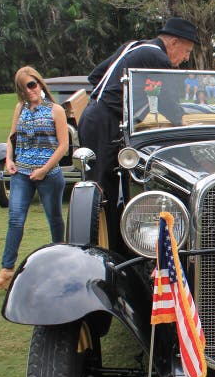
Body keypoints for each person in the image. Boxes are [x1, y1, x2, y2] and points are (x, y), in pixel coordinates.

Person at [78, 17, 198, 250]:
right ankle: (106, 248)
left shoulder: (133, 46)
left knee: (110, 186)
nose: (185, 58)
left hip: (96, 117)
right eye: (187, 51)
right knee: (103, 192)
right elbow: (170, 104)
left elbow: (96, 77)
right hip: (106, 123)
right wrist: (187, 135)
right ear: (174, 42)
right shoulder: (157, 58)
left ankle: (114, 243)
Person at [0, 67, 69, 290]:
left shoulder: (55, 110)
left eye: (32, 84)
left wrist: (44, 169)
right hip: (21, 173)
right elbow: (11, 136)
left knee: (54, 218)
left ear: (40, 83)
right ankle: (6, 271)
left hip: (49, 175)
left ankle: (60, 260)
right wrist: (9, 158)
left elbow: (63, 146)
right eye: (24, 87)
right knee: (15, 219)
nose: (29, 90)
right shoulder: (20, 108)